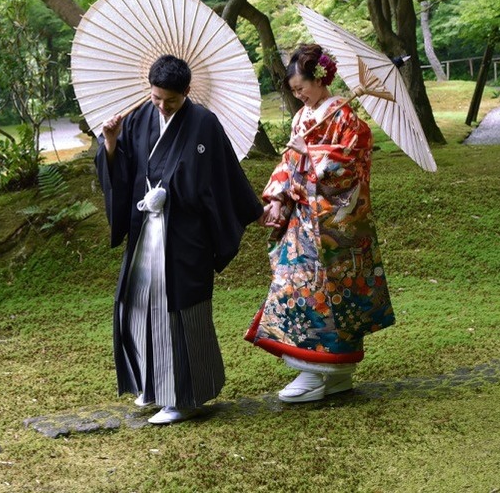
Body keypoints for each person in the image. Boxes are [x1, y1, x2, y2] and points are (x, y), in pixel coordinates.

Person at [95, 54, 263, 425]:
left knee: (179, 310)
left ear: (186, 91)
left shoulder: (204, 123)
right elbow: (123, 167)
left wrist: (170, 193)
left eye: (170, 99)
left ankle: (184, 397)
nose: (162, 105)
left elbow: (219, 180)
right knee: (137, 304)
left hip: (184, 236)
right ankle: (152, 386)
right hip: (144, 231)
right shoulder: (139, 116)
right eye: (156, 97)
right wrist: (109, 143)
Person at [245, 43, 395, 402]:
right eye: (293, 91)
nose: (298, 96)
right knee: (298, 289)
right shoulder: (302, 118)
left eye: (301, 88)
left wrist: (310, 153)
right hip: (301, 222)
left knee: (331, 294)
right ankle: (314, 369)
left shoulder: (347, 119)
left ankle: (328, 373)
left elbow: (350, 166)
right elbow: (287, 164)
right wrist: (279, 199)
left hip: (334, 225)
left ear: (321, 78)